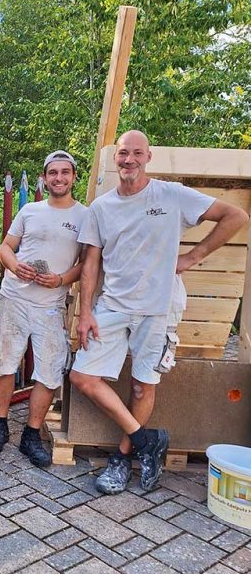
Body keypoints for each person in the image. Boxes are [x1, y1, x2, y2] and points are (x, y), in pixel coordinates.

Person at [70, 130, 249, 494]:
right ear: (115, 158)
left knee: (141, 385)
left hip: (158, 309)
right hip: (113, 306)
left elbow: (235, 215)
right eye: (123, 153)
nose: (129, 160)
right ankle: (145, 440)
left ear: (148, 157)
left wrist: (194, 257)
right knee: (83, 378)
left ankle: (123, 458)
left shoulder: (171, 195)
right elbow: (90, 265)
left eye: (137, 153)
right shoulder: (101, 208)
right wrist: (85, 312)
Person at [0, 151, 87, 466]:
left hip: (51, 306)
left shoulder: (85, 216)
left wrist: (61, 280)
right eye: (52, 173)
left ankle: (31, 435)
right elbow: (4, 247)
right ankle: (0, 425)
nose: (58, 178)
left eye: (64, 172)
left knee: (49, 369)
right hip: (15, 298)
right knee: (3, 362)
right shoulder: (30, 210)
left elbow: (86, 263)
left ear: (73, 177)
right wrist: (15, 266)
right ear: (44, 177)